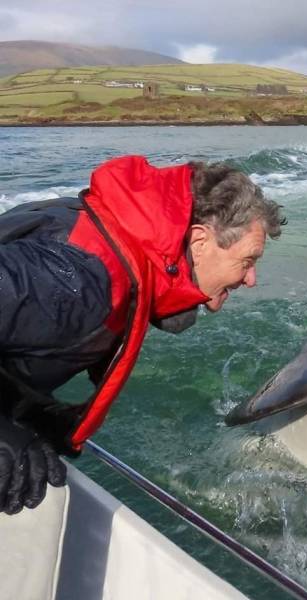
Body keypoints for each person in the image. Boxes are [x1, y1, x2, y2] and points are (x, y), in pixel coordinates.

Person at [0, 155, 284, 515]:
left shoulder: (100, 237)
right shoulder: (83, 282)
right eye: (248, 260)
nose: (251, 279)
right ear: (198, 241)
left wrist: (26, 406)